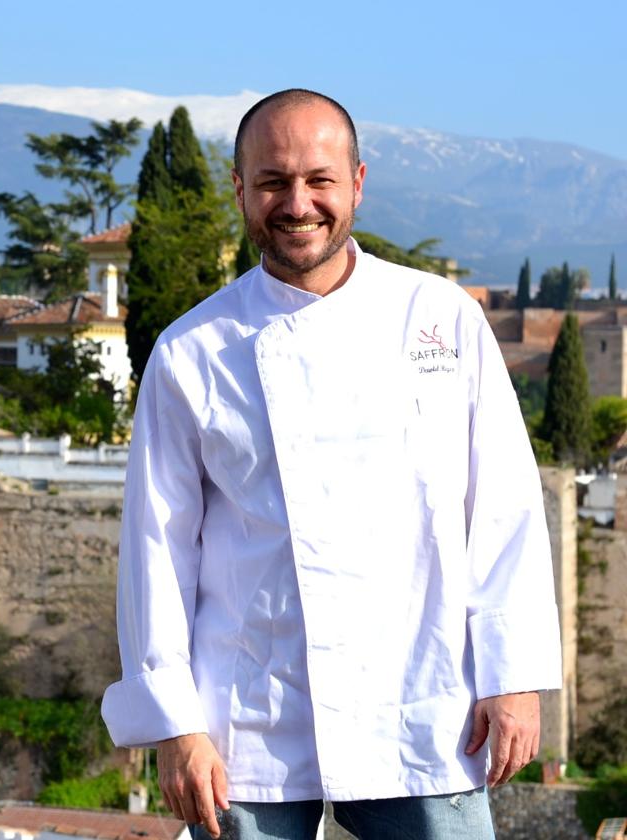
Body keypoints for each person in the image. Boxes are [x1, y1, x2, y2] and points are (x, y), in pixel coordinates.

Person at [101, 89, 561, 840]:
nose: (298, 202)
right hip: (248, 720)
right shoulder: (190, 352)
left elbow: (503, 506)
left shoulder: (440, 318)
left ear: (357, 183)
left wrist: (514, 680)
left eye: (319, 179)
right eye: (274, 181)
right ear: (240, 190)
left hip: (421, 703)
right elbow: (155, 551)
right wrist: (175, 725)